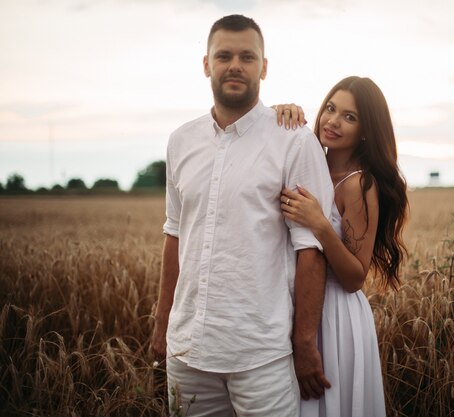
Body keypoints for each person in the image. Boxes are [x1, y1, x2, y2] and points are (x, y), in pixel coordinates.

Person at [150, 14, 335, 417]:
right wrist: (163, 322)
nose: (235, 65)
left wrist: (304, 343)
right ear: (206, 65)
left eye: (247, 56)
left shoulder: (293, 141)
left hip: (261, 355)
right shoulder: (181, 141)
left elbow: (311, 247)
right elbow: (175, 233)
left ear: (264, 67)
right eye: (224, 55)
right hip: (188, 353)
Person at [275, 76, 408, 417]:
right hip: (297, 304)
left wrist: (319, 224)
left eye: (349, 117)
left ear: (366, 131)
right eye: (331, 109)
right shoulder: (306, 163)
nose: (333, 121)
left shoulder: (359, 185)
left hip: (334, 317)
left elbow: (354, 278)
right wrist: (276, 115)